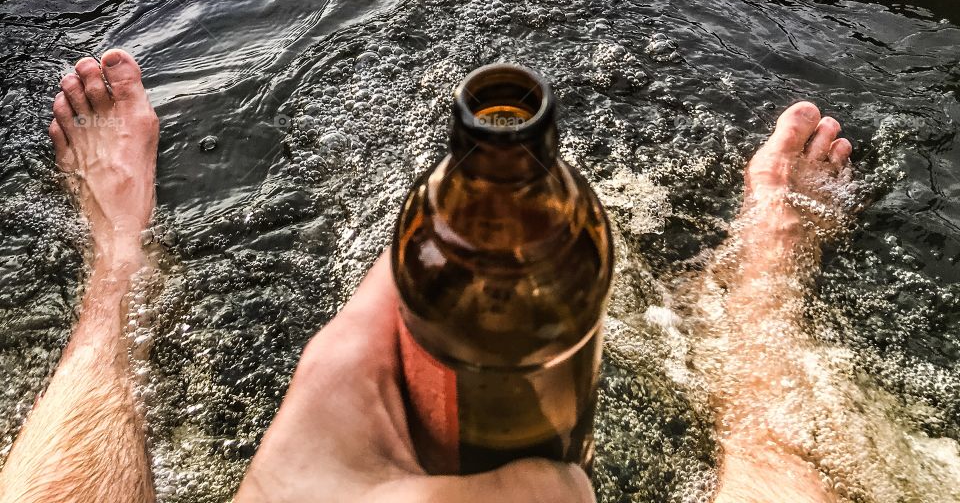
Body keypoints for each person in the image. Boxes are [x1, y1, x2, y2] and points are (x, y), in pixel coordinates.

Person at [0, 50, 854, 503]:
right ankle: (117, 265)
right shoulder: (436, 239)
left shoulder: (559, 231)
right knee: (776, 460)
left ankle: (758, 301)